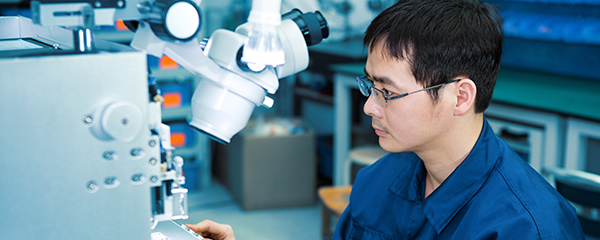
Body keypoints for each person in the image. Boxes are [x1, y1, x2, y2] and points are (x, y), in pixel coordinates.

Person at [185, 0, 585, 239]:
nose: (369, 107)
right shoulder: (378, 181)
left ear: (459, 96)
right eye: (369, 85)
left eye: (388, 92)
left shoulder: (524, 227)